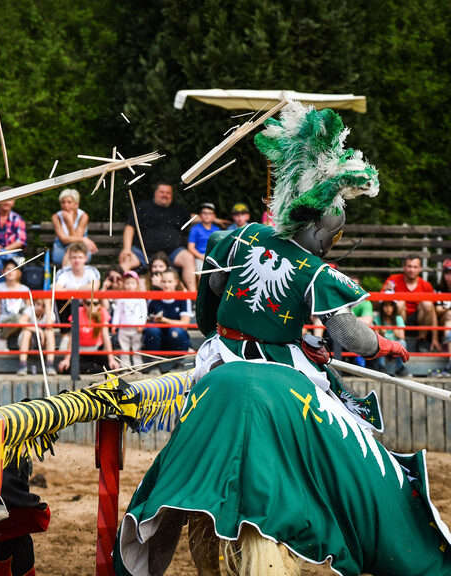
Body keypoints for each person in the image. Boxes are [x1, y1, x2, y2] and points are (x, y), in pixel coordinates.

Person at [115, 103, 442, 576]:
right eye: (331, 236)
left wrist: (240, 330)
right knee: (348, 442)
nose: (331, 245)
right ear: (316, 230)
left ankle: (156, 523)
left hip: (221, 359)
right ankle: (350, 508)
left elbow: (211, 295)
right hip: (282, 370)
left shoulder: (240, 237)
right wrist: (382, 346)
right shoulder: (315, 270)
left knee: (186, 449)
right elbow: (347, 332)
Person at [118, 182, 197, 291]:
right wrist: (126, 249)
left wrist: (215, 219)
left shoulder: (178, 209)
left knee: (188, 258)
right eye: (162, 192)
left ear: (171, 195)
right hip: (143, 254)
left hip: (172, 254)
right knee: (126, 260)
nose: (165, 195)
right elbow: (130, 227)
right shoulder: (143, 207)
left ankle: (193, 296)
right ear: (155, 193)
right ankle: (119, 295)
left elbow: (194, 217)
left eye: (168, 193)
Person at [382, 255, 439, 353]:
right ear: (404, 267)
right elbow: (379, 304)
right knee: (400, 303)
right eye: (409, 266)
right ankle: (400, 339)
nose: (412, 270)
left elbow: (432, 312)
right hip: (399, 317)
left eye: (415, 267)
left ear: (420, 269)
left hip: (420, 320)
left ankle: (421, 340)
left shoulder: (426, 285)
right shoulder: (392, 280)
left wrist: (435, 339)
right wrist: (384, 292)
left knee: (428, 304)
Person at [57, 298, 119, 374]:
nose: (92, 306)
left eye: (95, 303)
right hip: (80, 351)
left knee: (112, 367)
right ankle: (92, 368)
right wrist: (66, 359)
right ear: (83, 303)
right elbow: (73, 337)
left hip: (96, 351)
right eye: (88, 303)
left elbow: (106, 337)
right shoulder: (78, 312)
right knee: (66, 368)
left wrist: (111, 359)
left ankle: (89, 368)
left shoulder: (102, 312)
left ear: (99, 305)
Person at [142, 268, 192, 362]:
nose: (166, 285)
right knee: (152, 330)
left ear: (176, 282)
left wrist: (165, 321)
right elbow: (146, 320)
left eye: (169, 282)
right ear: (160, 282)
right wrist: (153, 320)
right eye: (164, 282)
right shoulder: (154, 298)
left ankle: (176, 360)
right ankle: (153, 360)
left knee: (176, 331)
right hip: (158, 336)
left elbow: (185, 324)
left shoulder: (184, 298)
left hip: (175, 336)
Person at [50, 188, 97, 266]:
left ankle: (66, 272)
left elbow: (76, 241)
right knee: (72, 252)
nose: (66, 205)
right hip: (61, 249)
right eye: (63, 202)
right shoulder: (56, 217)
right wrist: (83, 239)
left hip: (80, 249)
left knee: (74, 252)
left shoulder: (83, 216)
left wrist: (70, 223)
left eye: (69, 202)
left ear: (76, 204)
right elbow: (63, 240)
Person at [111, 271, 147, 367]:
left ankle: (138, 366)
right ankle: (125, 366)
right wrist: (114, 324)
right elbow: (117, 312)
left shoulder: (140, 298)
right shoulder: (121, 298)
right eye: (127, 283)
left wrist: (141, 325)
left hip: (136, 328)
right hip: (123, 327)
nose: (130, 285)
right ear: (123, 284)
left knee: (137, 347)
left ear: (137, 284)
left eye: (132, 283)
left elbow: (144, 313)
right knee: (124, 348)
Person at [0, 259, 29, 349]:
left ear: (18, 272)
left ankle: (1, 338)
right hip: (5, 319)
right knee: (16, 318)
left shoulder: (25, 289)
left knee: (18, 317)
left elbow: (29, 309)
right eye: (7, 269)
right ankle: (1, 338)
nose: (10, 272)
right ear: (3, 272)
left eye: (13, 269)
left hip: (21, 320)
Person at [16, 298, 56, 375]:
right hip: (28, 341)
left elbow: (49, 326)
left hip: (43, 343)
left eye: (43, 306)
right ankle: (22, 366)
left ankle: (50, 365)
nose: (40, 308)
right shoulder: (29, 310)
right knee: (26, 332)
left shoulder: (49, 313)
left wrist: (48, 305)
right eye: (38, 304)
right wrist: (38, 330)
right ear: (34, 303)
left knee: (50, 332)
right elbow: (21, 322)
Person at [187, 202, 221, 283]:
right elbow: (191, 248)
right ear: (200, 215)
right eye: (204, 213)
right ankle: (201, 291)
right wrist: (202, 257)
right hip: (200, 256)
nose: (207, 215)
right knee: (202, 274)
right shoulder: (195, 229)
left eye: (210, 213)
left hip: (213, 256)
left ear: (214, 216)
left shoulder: (217, 229)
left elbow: (220, 246)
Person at [374, 300, 408, 376]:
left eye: (390, 305)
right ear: (382, 307)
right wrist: (381, 334)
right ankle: (381, 367)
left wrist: (395, 331)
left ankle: (400, 368)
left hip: (394, 345)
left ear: (394, 307)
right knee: (378, 342)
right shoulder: (378, 319)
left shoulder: (398, 318)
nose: (388, 308)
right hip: (384, 345)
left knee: (402, 343)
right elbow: (375, 336)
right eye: (386, 306)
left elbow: (402, 337)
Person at [435, 259, 451, 374]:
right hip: (443, 320)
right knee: (449, 316)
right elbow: (438, 310)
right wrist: (449, 311)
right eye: (446, 273)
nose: (449, 276)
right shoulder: (438, 289)